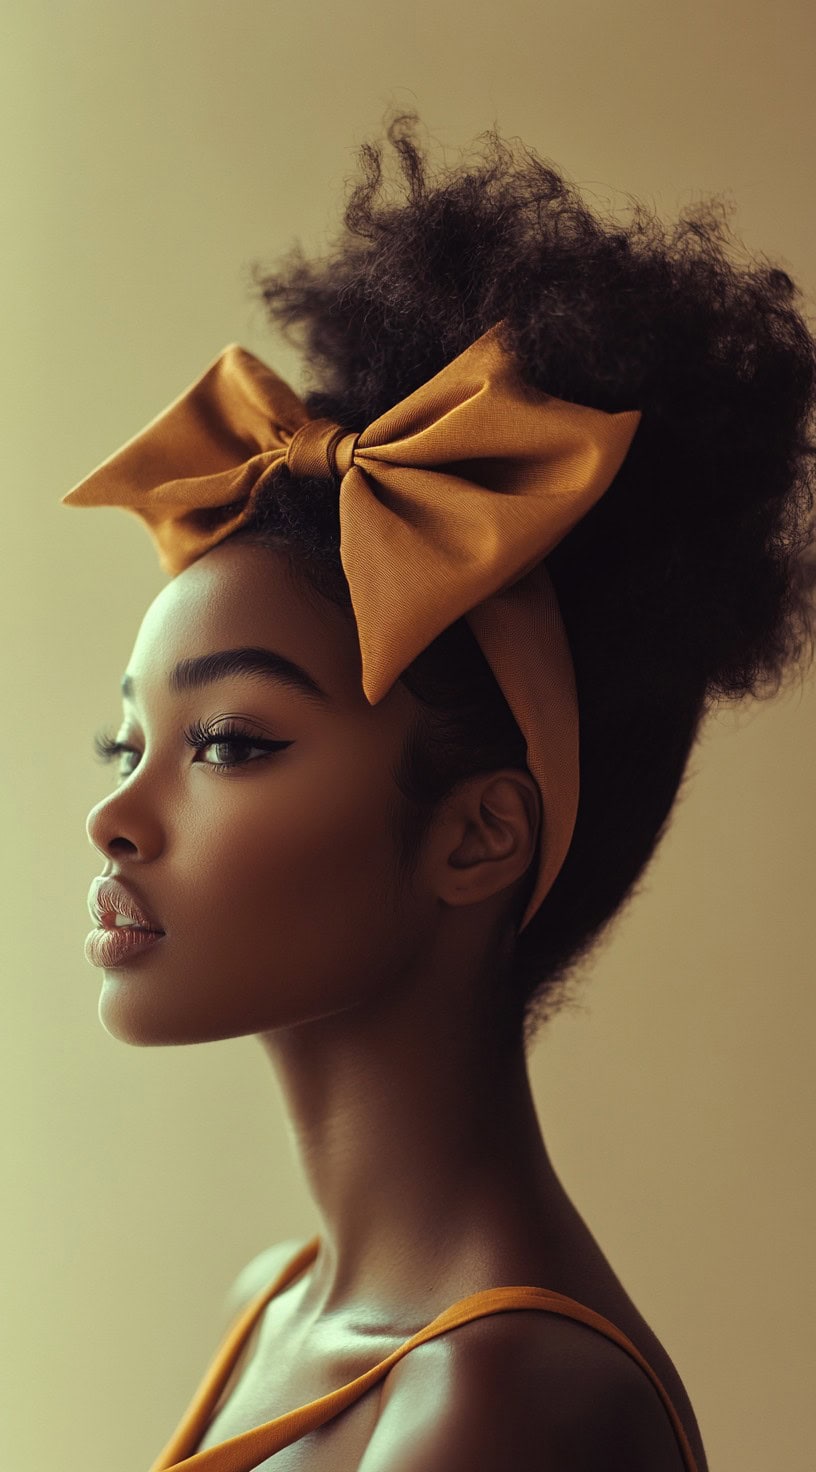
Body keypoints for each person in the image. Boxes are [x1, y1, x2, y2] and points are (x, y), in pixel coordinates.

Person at [63, 115, 816, 1471]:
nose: (116, 817)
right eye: (126, 746)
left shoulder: (499, 1408)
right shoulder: (275, 1310)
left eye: (229, 743)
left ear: (477, 833)